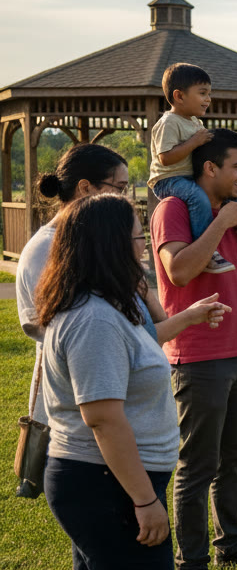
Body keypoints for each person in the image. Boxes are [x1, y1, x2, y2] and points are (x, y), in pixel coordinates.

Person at [37, 194, 225, 570]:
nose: (144, 247)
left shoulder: (104, 306)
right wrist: (144, 501)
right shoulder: (93, 319)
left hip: (106, 480)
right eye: (139, 238)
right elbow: (102, 418)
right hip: (107, 484)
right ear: (110, 245)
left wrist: (190, 316)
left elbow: (136, 347)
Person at [152, 128, 237, 570]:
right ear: (210, 169)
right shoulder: (175, 209)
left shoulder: (231, 212)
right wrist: (223, 223)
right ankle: (190, 568)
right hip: (198, 356)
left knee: (234, 459)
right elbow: (180, 270)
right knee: (197, 464)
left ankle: (232, 544)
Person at [17, 144, 130, 443]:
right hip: (70, 403)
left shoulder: (87, 241)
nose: (125, 199)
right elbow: (55, 325)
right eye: (119, 188)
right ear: (85, 188)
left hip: (100, 390)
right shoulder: (47, 247)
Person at [147, 62, 237, 274]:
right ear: (179, 96)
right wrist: (193, 143)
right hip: (170, 179)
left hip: (187, 178)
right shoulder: (169, 122)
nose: (208, 99)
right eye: (202, 93)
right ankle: (209, 252)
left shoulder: (194, 123)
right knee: (197, 198)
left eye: (209, 93)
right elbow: (164, 158)